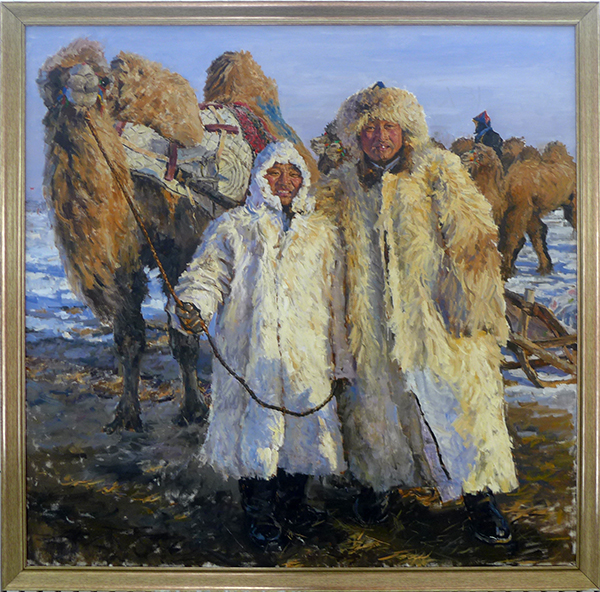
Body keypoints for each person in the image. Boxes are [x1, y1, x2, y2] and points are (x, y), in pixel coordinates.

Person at [317, 83, 518, 544]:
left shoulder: (437, 169)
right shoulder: (341, 185)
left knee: (460, 403)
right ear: (356, 136)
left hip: (437, 316)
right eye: (369, 129)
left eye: (389, 127)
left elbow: (472, 238)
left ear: (405, 130)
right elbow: (321, 248)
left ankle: (479, 497)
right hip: (371, 319)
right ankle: (380, 483)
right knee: (378, 405)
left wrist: (470, 306)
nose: (380, 137)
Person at [171, 140, 352, 551]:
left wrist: (341, 358)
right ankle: (260, 511)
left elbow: (337, 299)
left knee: (303, 430)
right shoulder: (234, 227)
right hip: (252, 354)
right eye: (275, 173)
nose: (284, 181)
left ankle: (294, 504)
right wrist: (193, 305)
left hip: (308, 354)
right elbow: (207, 274)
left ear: (303, 180)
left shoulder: (322, 233)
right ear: (259, 178)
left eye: (293, 174)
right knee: (256, 432)